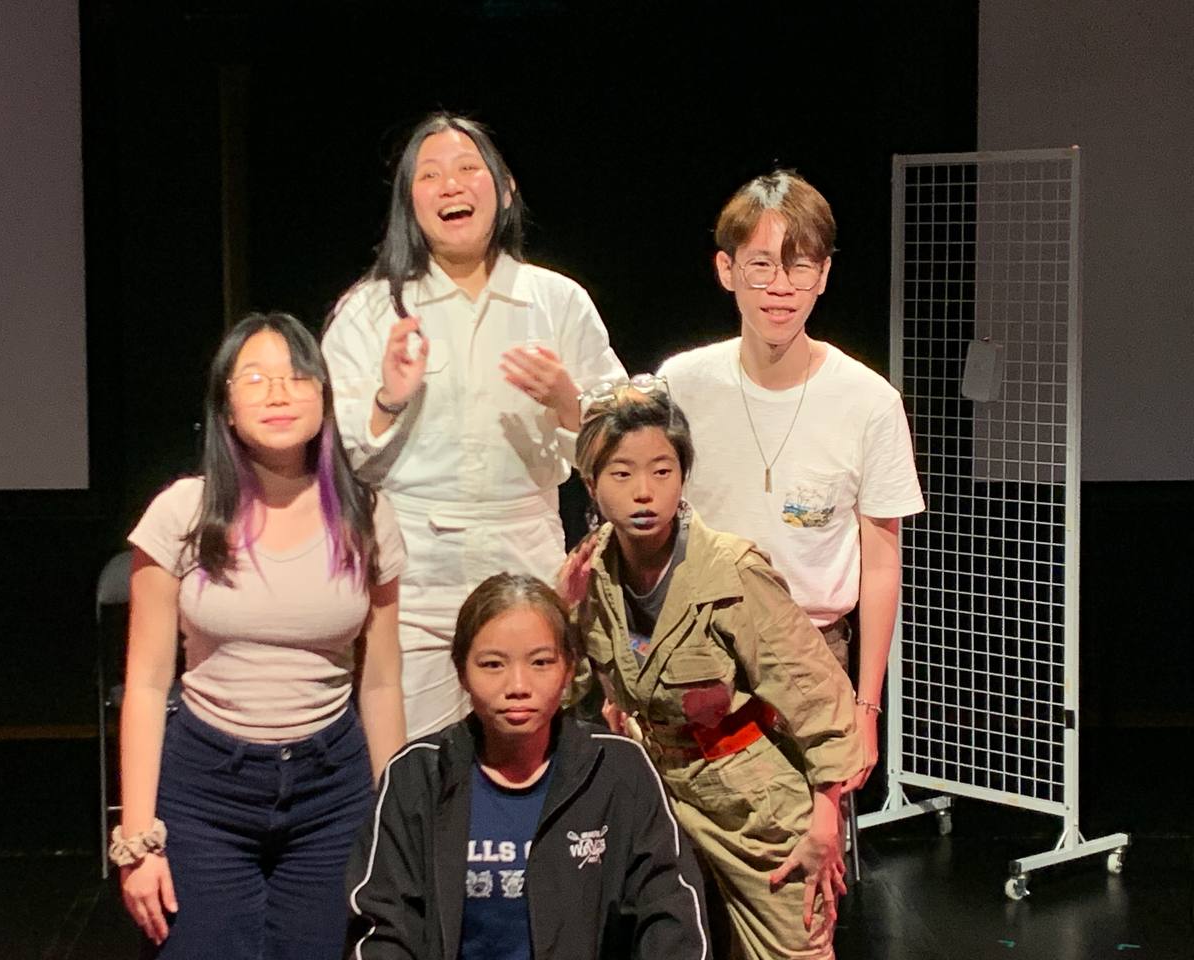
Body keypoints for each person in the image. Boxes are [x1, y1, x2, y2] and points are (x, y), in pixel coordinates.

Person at [322, 112, 625, 739]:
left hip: (524, 555)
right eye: (430, 176)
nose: (451, 186)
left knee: (528, 752)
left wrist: (569, 400)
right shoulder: (371, 308)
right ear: (411, 200)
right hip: (412, 571)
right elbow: (325, 448)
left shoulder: (556, 300)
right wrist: (386, 398)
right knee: (419, 765)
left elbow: (625, 438)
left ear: (505, 188)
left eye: (468, 169)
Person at [117, 312, 407, 958]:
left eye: (297, 375)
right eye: (255, 377)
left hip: (332, 787)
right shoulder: (182, 513)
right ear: (225, 405)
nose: (279, 393)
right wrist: (138, 838)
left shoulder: (366, 514)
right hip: (206, 788)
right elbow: (144, 682)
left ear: (325, 398)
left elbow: (382, 682)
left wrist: (393, 823)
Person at [560, 384, 862, 960]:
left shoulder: (730, 571)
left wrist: (827, 817)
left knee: (795, 947)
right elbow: (565, 691)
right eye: (621, 475)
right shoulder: (588, 575)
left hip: (755, 809)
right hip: (656, 798)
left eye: (662, 471)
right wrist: (562, 611)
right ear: (591, 484)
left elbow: (815, 694)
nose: (645, 492)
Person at [657, 171, 924, 791]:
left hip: (815, 650)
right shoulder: (681, 384)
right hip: (699, 648)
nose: (781, 288)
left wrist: (866, 707)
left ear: (824, 275)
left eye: (800, 267)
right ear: (726, 270)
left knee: (812, 860)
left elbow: (881, 558)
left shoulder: (869, 401)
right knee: (695, 851)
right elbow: (648, 526)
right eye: (761, 267)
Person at [345, 572, 709, 960]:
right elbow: (382, 927)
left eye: (540, 662)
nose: (518, 685)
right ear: (461, 671)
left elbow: (672, 918)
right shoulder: (417, 776)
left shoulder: (618, 770)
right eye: (492, 664)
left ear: (569, 668)